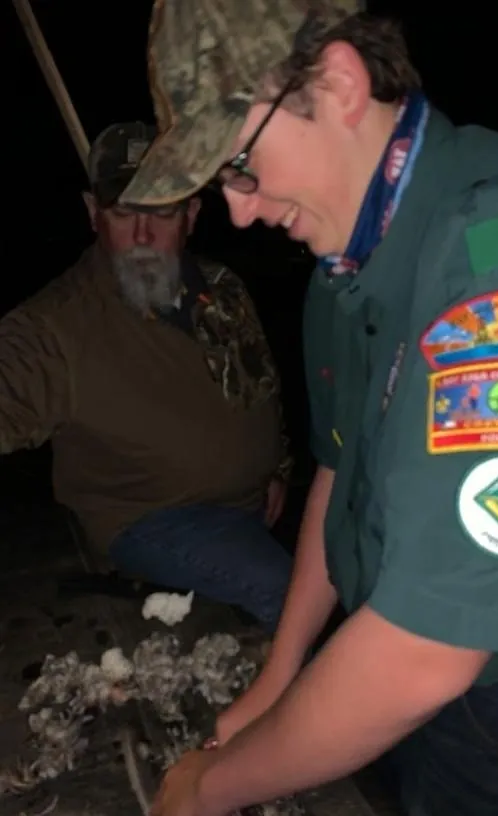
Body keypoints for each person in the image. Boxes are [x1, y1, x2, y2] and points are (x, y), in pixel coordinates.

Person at [120, 2, 498, 816]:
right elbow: (339, 470)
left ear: (340, 82)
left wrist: (210, 788)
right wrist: (279, 682)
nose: (240, 214)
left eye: (240, 165)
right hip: (386, 646)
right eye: (222, 184)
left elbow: (428, 653)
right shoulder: (345, 262)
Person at [0, 120, 294, 633]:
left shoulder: (224, 288)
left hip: (249, 510)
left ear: (191, 214)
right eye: (121, 212)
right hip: (149, 519)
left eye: (160, 210)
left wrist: (279, 466)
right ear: (93, 215)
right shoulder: (52, 325)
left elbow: (261, 383)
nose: (141, 234)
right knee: (292, 593)